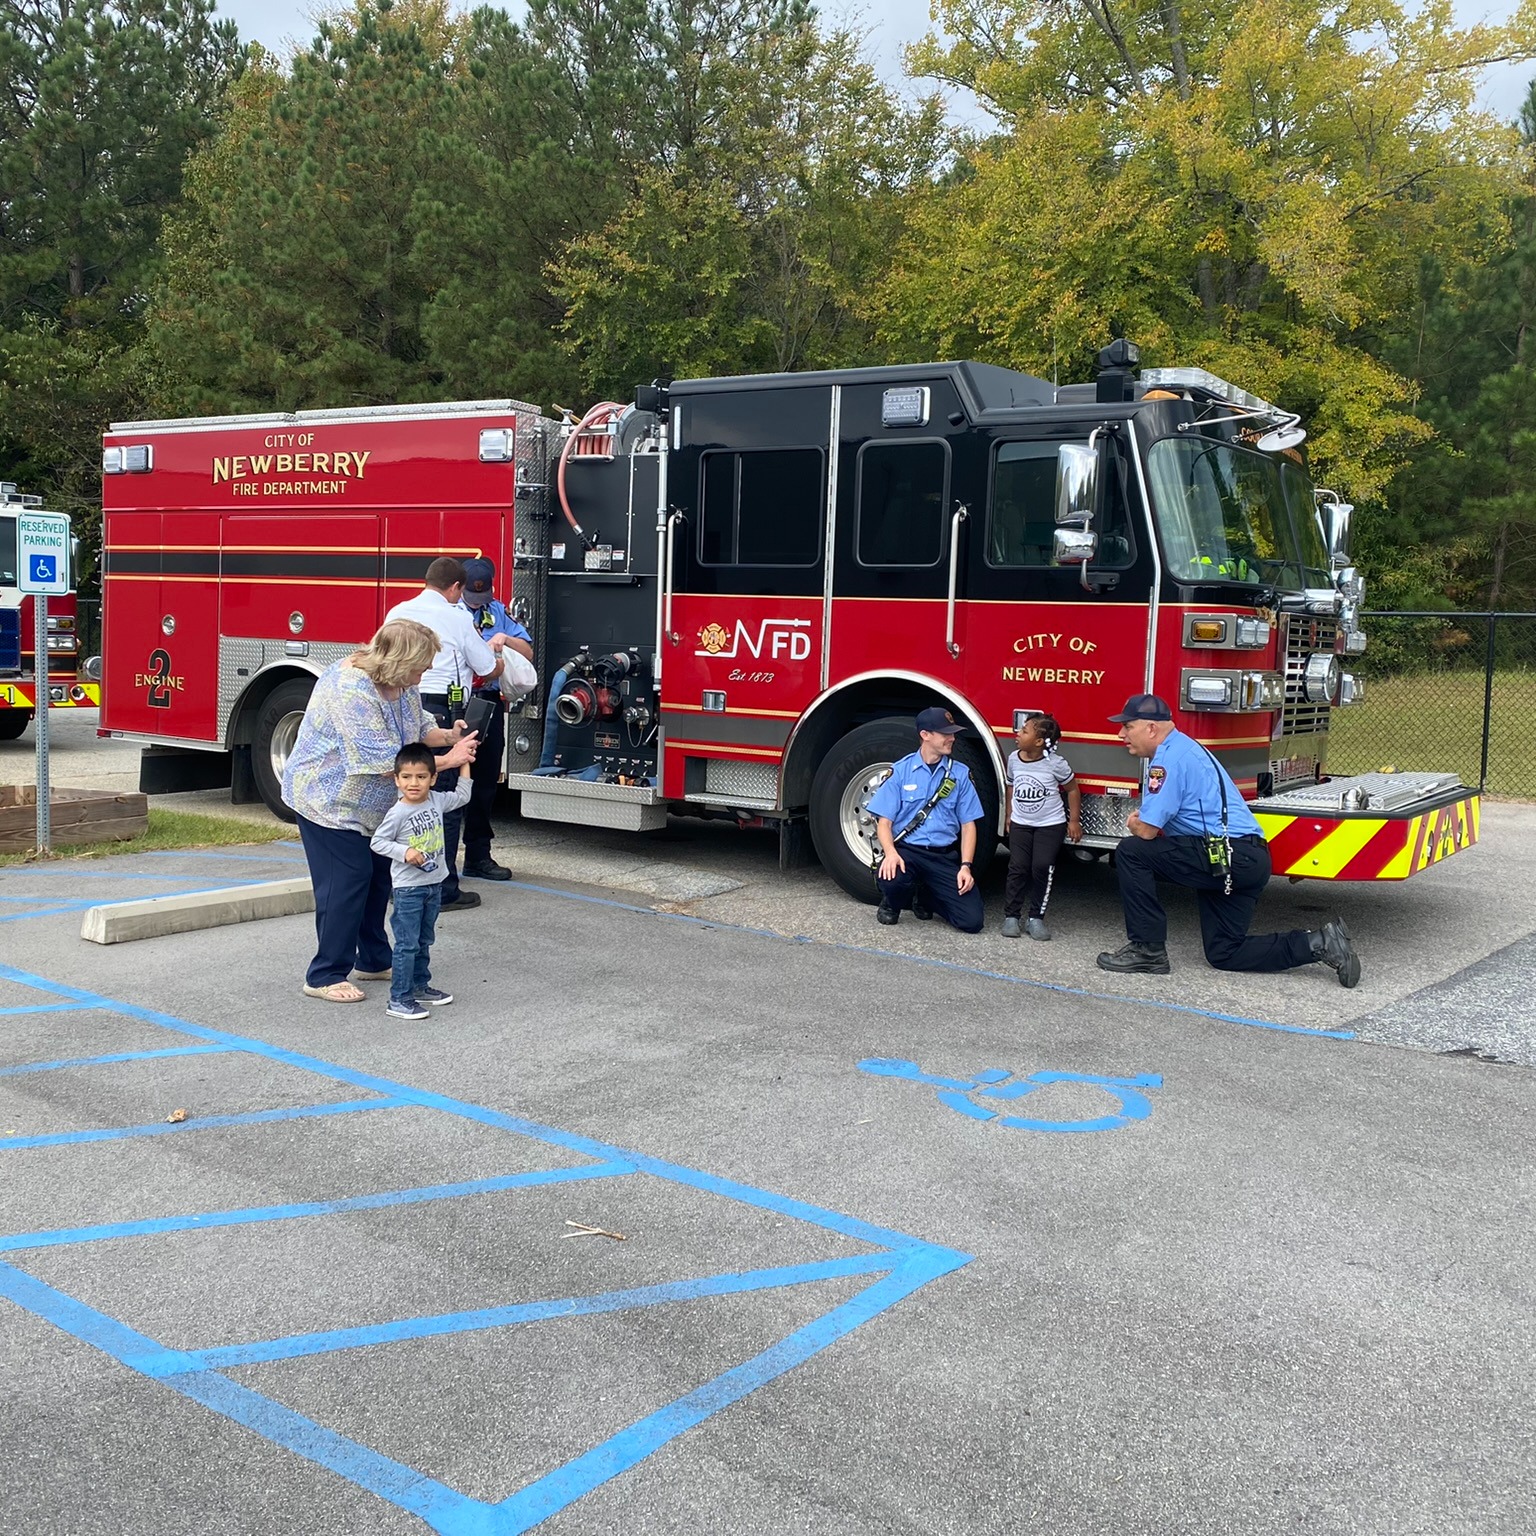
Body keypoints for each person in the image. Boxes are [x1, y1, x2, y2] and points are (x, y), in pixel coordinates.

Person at [1095, 694, 1361, 985]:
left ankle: (1147, 949)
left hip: (1226, 854)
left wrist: (1134, 822)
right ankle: (1319, 943)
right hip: (1246, 857)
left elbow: (1146, 830)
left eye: (1128, 726)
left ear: (1150, 728)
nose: (1121, 734)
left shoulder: (1168, 760)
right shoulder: (1188, 748)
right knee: (1224, 952)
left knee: (1132, 852)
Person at [281, 620, 478, 1003]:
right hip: (328, 801)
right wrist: (448, 761)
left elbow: (419, 730)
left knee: (376, 880)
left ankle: (372, 959)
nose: (426, 672)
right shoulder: (350, 687)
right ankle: (324, 974)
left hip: (372, 808)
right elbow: (384, 758)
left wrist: (450, 737)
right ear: (400, 660)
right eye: (421, 665)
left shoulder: (402, 684)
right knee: (347, 880)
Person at [385, 557, 506, 911]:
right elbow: (484, 666)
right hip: (441, 708)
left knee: (409, 792)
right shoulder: (457, 616)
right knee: (444, 800)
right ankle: (444, 887)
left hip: (401, 700)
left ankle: (403, 878)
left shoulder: (399, 610)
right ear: (455, 588)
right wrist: (498, 660)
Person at [370, 743, 473, 1020]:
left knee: (425, 938)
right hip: (408, 890)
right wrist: (406, 852)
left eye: (421, 777)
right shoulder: (398, 812)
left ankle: (418, 985)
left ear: (433, 778)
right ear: (397, 779)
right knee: (407, 943)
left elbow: (462, 795)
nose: (413, 783)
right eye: (406, 777)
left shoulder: (437, 800)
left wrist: (464, 761)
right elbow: (378, 842)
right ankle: (399, 999)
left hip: (434, 884)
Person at [868, 706, 986, 933]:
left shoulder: (959, 774)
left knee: (972, 922)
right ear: (925, 735)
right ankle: (892, 903)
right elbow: (884, 823)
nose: (953, 738)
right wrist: (891, 853)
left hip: (943, 856)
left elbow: (968, 825)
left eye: (953, 733)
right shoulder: (901, 771)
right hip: (909, 852)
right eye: (946, 734)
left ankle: (927, 896)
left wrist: (965, 867)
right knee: (893, 877)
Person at [454, 556, 533, 882]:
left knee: (485, 783)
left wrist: (505, 639)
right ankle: (436, 859)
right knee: (446, 781)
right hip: (457, 701)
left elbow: (526, 650)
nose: (476, 603)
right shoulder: (450, 613)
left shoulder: (497, 610)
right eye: (471, 597)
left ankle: (478, 855)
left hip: (487, 702)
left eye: (481, 596)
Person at [1001, 712, 1081, 940]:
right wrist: (1009, 815)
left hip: (1050, 825)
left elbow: (1072, 789)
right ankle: (1012, 916)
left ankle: (1036, 917)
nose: (1018, 733)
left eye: (1024, 731)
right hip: (1021, 824)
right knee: (1017, 867)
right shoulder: (1014, 758)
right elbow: (1010, 786)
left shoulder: (1056, 764)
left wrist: (1073, 820)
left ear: (1038, 742)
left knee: (1042, 866)